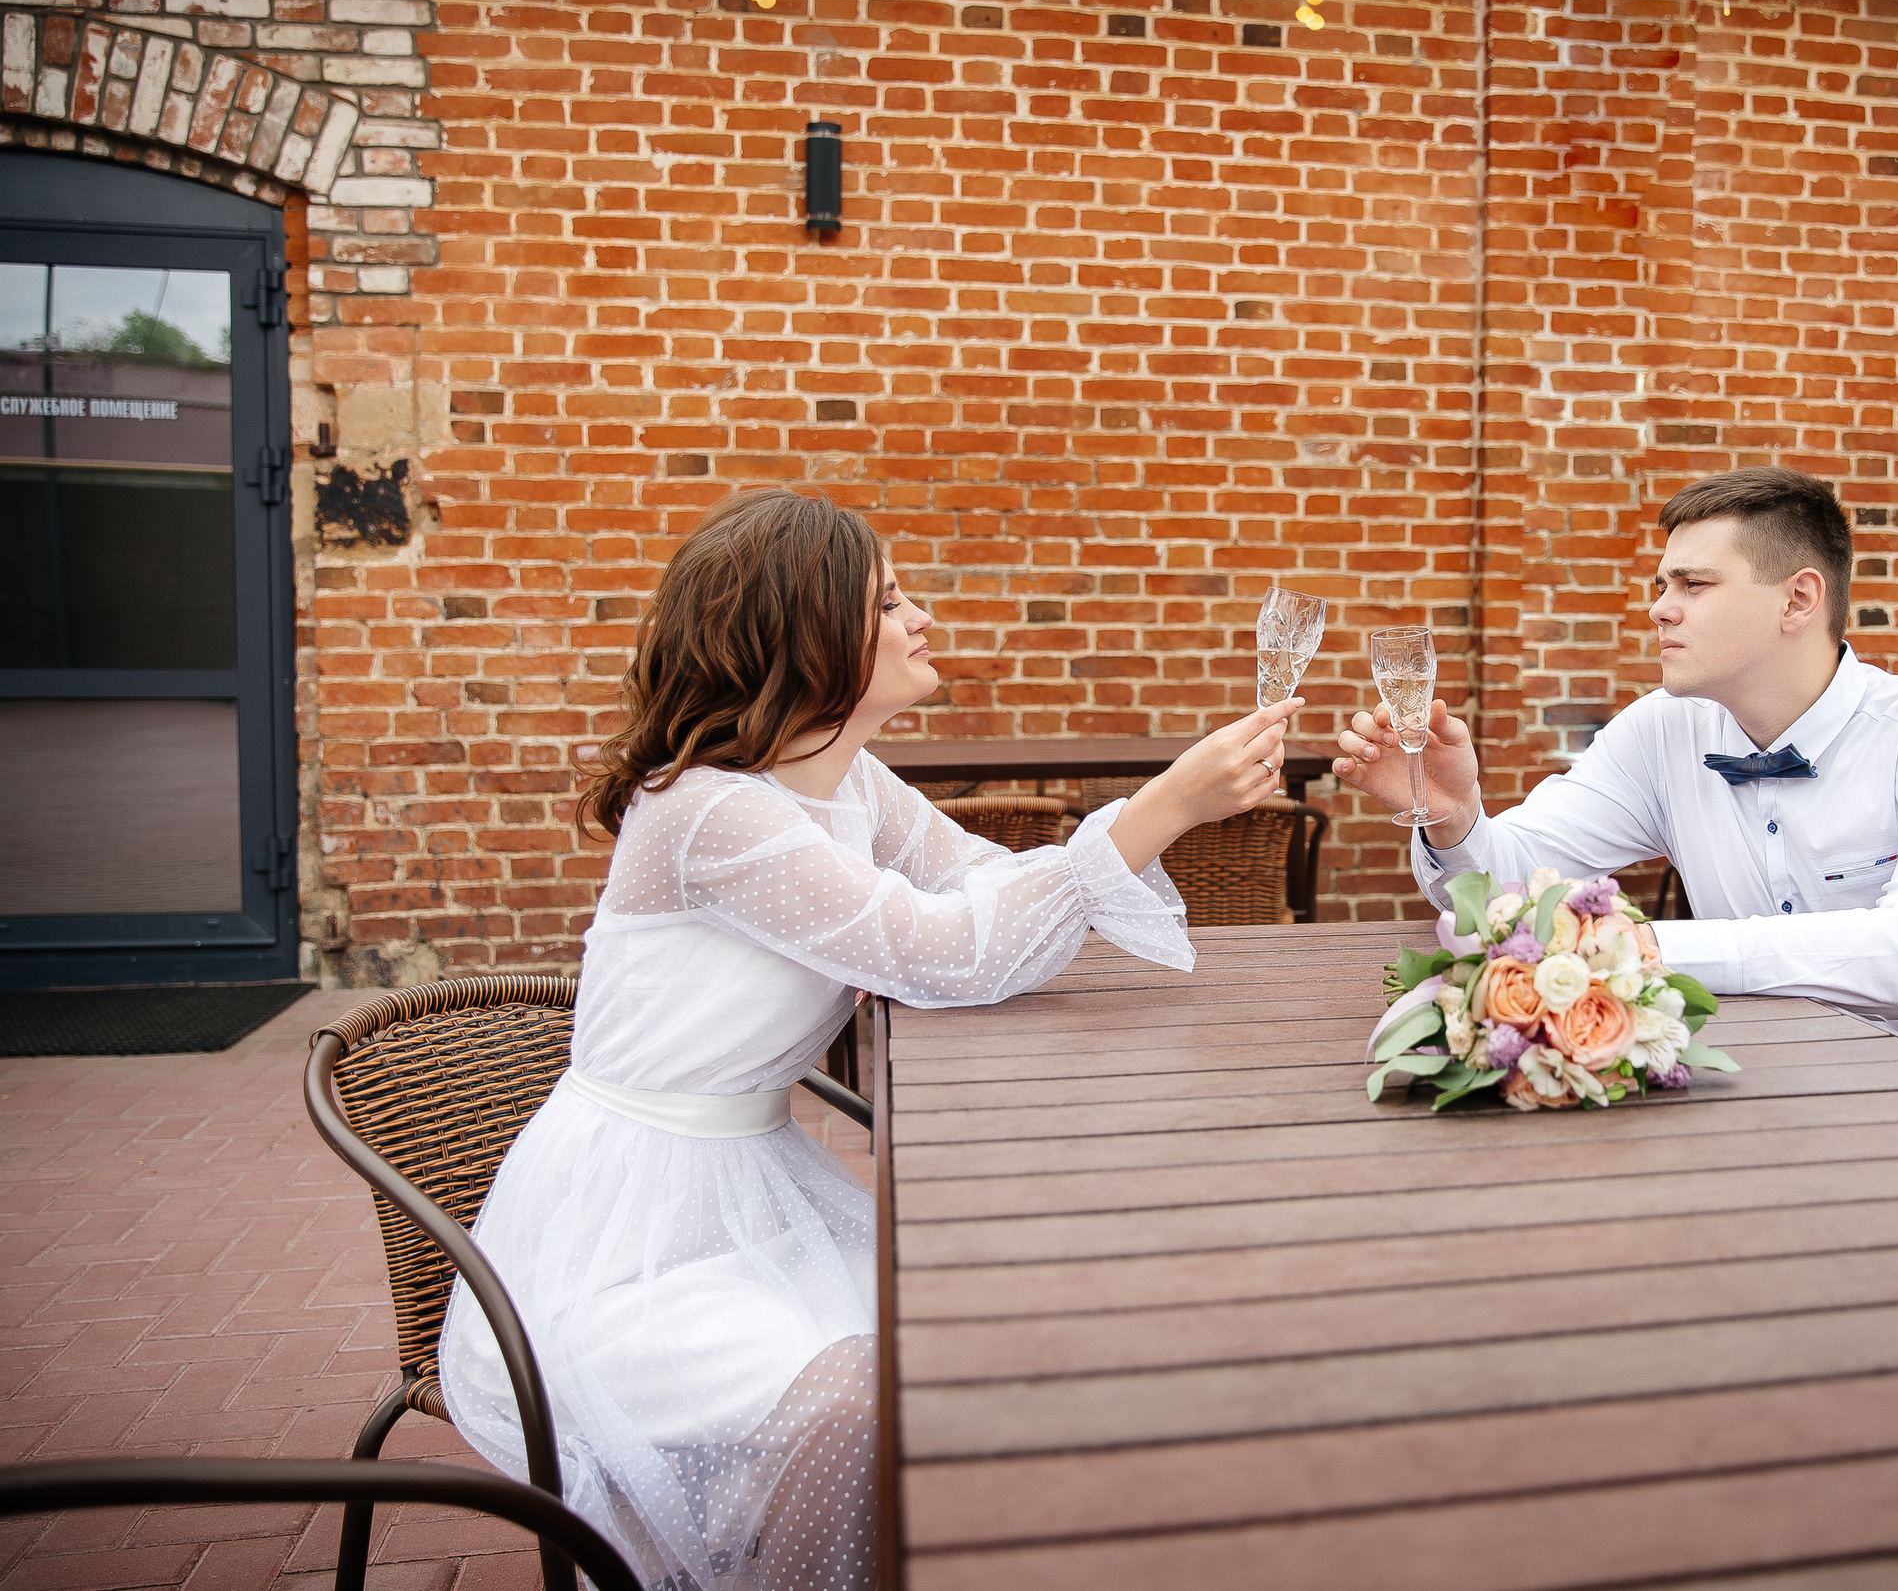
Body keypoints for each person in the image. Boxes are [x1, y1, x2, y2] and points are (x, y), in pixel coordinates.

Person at [438, 489, 1298, 1591]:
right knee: (860, 1398)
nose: (920, 616)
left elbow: (976, 880)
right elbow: (940, 951)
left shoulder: (847, 780)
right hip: (630, 1234)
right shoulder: (715, 811)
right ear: (808, 636)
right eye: (889, 601)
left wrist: (1114, 843)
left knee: (989, 1336)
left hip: (753, 1191)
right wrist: (1156, 811)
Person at [1332, 467, 1898, 1093]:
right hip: (1784, 1098)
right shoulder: (1663, 730)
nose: (1658, 606)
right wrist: (1456, 817)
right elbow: (1503, 901)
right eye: (1661, 583)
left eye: (1693, 583)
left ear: (1799, 599)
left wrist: (1626, 954)